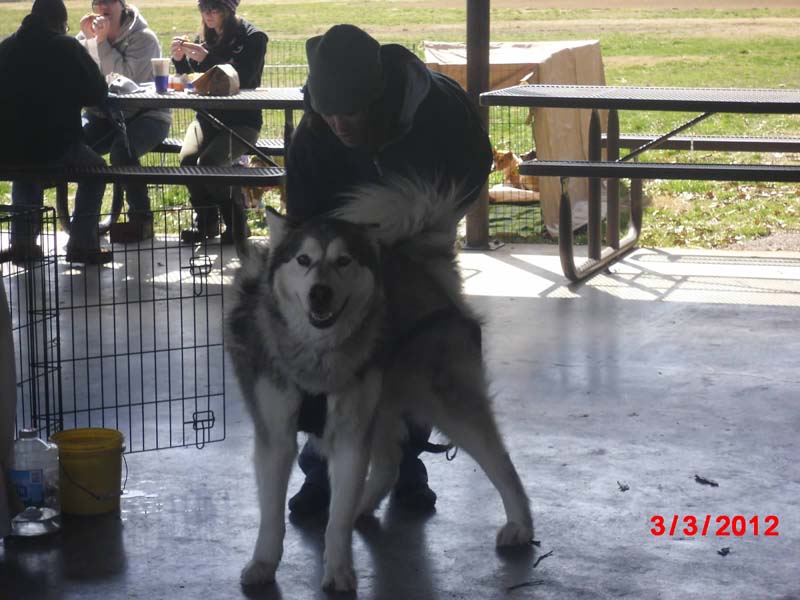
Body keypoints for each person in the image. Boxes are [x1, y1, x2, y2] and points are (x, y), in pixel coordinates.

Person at [284, 24, 493, 515]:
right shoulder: (315, 135)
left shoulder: (439, 112)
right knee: (328, 351)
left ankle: (404, 464)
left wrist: (420, 229)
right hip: (342, 250)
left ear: (377, 99)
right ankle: (322, 472)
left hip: (417, 236)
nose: (339, 122)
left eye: (350, 112)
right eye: (328, 110)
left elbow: (473, 168)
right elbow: (303, 222)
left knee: (413, 346)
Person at [0, 0, 111, 265]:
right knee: (96, 172)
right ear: (61, 23)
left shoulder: (5, 48)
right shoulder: (67, 47)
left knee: (24, 172)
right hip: (56, 146)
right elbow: (97, 93)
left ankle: (23, 243)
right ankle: (82, 243)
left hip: (7, 150)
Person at [170, 0, 267, 245]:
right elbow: (193, 79)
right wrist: (180, 60)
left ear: (229, 10)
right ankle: (206, 221)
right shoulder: (203, 38)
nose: (208, 14)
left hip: (243, 121)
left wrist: (209, 58)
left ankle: (236, 223)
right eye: (204, 8)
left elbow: (245, 79)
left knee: (210, 162)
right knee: (188, 160)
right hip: (206, 118)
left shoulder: (254, 38)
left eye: (215, 8)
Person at [76, 0, 172, 243]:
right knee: (76, 145)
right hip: (103, 115)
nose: (102, 7)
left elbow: (125, 84)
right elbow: (80, 76)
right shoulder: (88, 35)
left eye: (108, 2)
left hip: (148, 114)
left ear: (122, 5)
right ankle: (83, 229)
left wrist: (101, 44)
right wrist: (87, 42)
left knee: (122, 150)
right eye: (97, 2)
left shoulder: (144, 39)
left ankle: (141, 217)